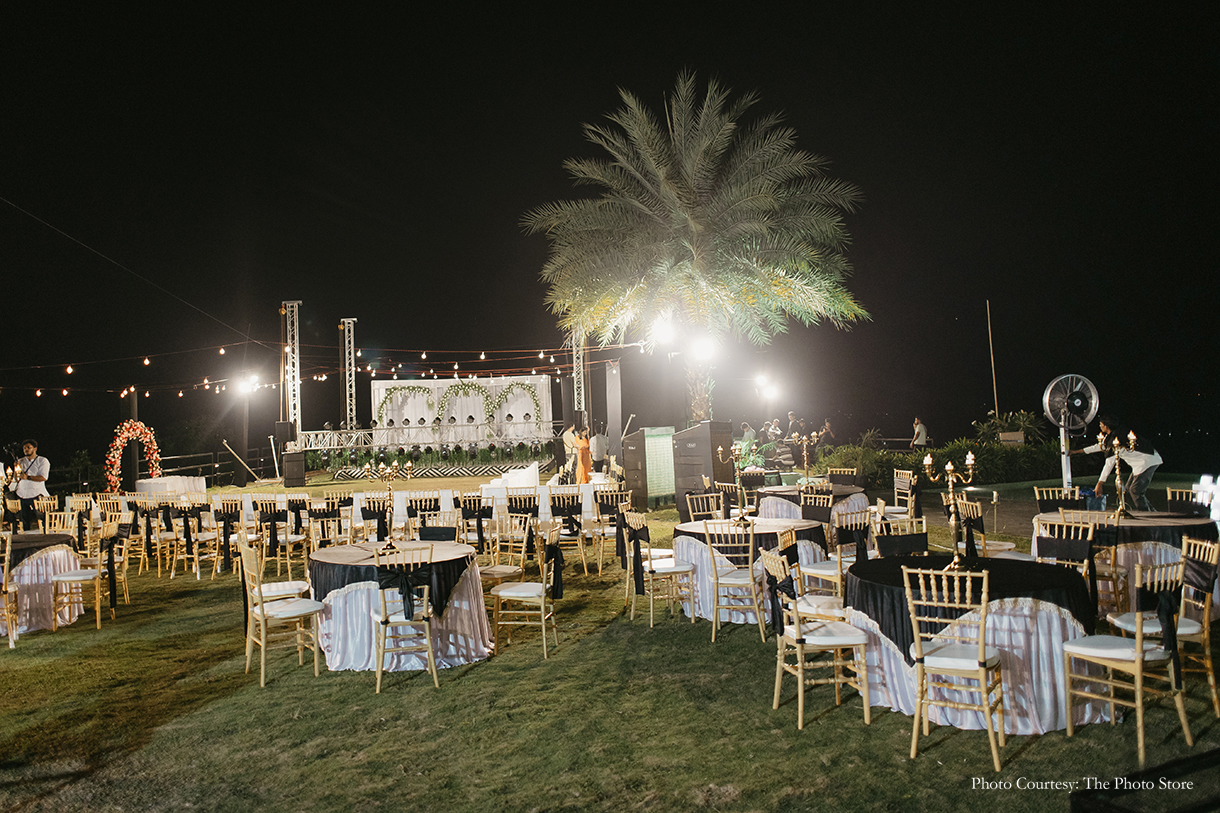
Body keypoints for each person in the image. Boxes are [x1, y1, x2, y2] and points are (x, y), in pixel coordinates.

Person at [1071, 416, 1162, 511]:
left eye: (1101, 424)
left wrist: (1100, 483)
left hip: (1148, 461)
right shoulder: (1111, 436)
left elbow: (1109, 463)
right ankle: (1152, 512)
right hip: (1141, 463)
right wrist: (1076, 452)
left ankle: (1146, 513)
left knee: (1135, 490)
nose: (1100, 426)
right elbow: (1100, 447)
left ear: (1106, 426)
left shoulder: (1117, 439)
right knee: (1129, 488)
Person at [12, 439, 50, 531]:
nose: (26, 450)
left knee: (42, 518)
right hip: (22, 493)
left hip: (36, 493)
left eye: (29, 447)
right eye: (24, 448)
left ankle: (45, 534)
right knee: (24, 520)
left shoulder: (42, 460)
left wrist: (28, 477)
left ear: (35, 448)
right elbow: (16, 478)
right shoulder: (20, 461)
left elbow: (43, 477)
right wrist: (16, 469)